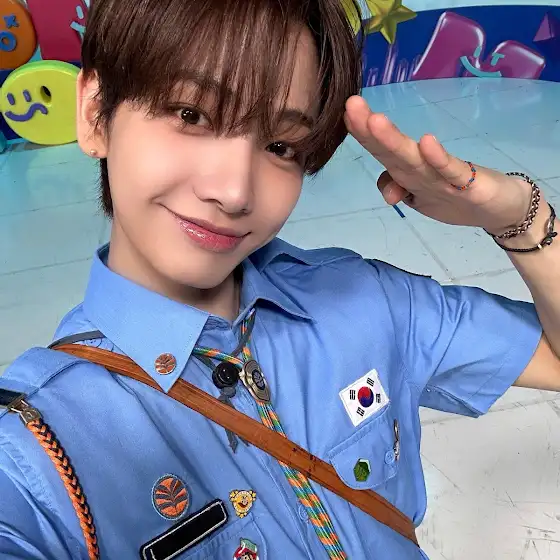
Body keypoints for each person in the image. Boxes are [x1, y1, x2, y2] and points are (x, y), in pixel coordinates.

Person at [0, 0, 559, 558]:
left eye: (280, 146)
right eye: (191, 115)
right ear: (96, 112)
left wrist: (519, 217)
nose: (235, 192)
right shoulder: (37, 451)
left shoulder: (365, 298)